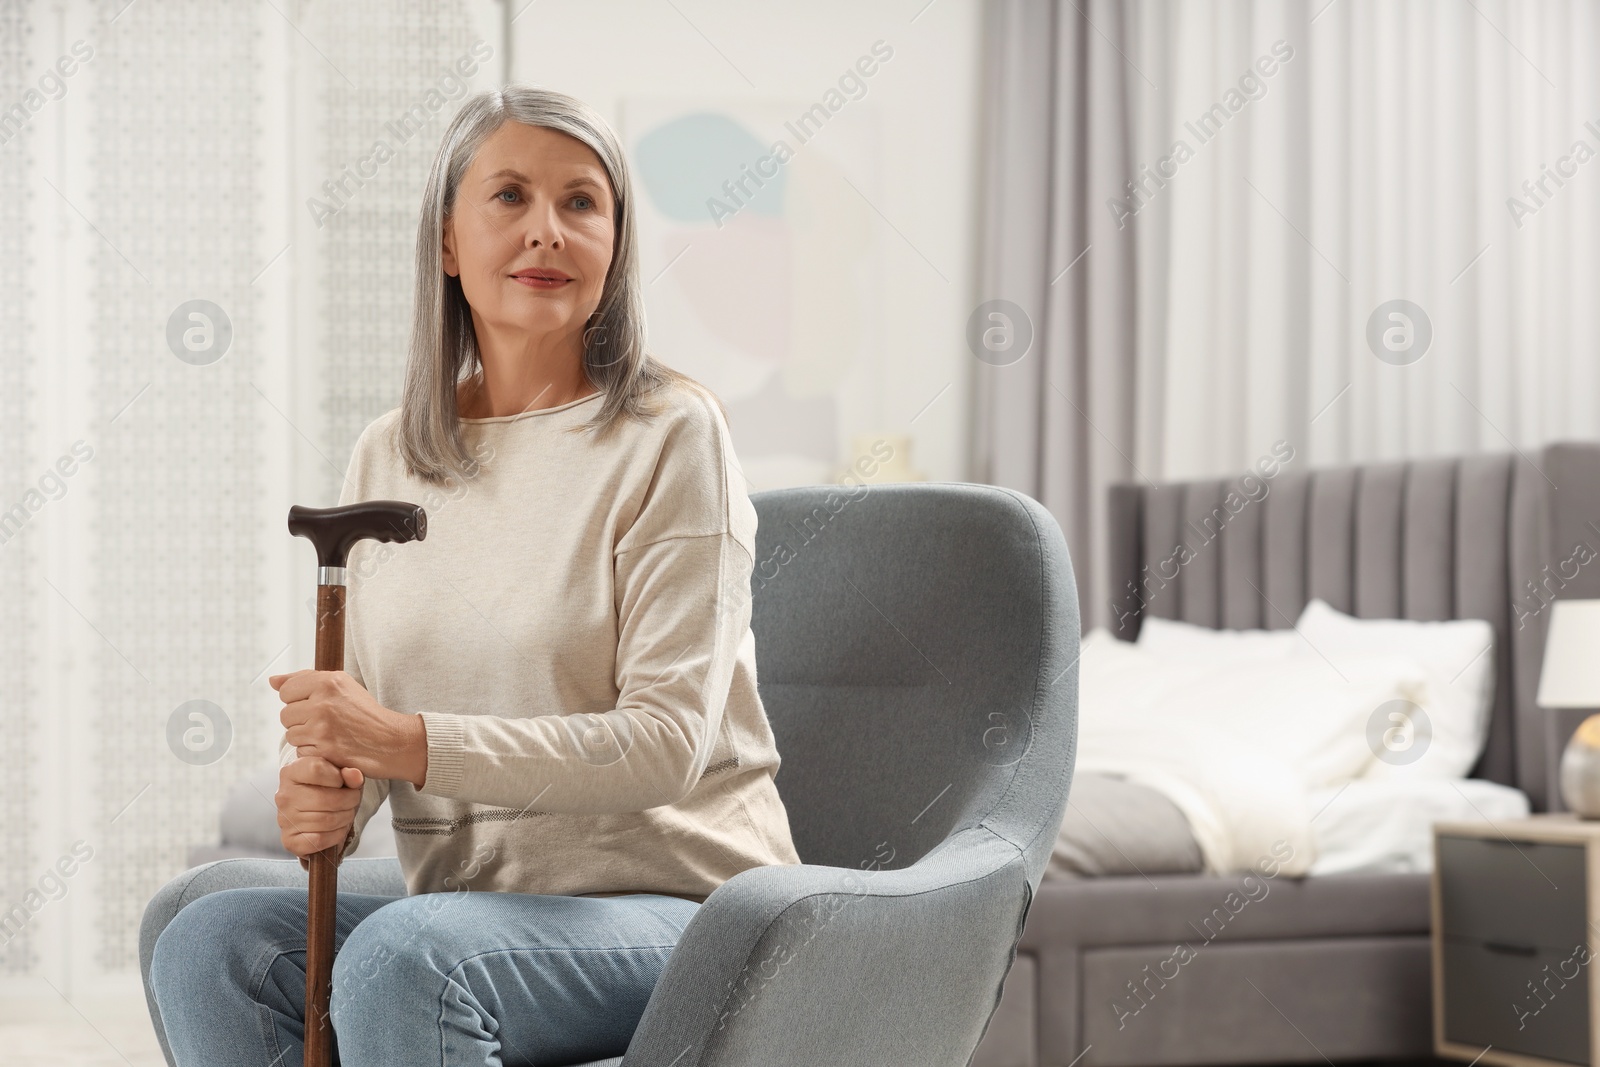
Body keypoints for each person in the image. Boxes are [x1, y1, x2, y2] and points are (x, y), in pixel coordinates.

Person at [148, 85, 801, 1066]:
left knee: (412, 960)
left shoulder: (671, 435)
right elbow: (370, 730)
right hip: (479, 895)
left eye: (581, 203)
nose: (547, 229)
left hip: (683, 903)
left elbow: (664, 745)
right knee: (204, 940)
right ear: (448, 241)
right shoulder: (390, 453)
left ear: (614, 245)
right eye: (509, 196)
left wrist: (402, 741)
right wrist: (333, 790)